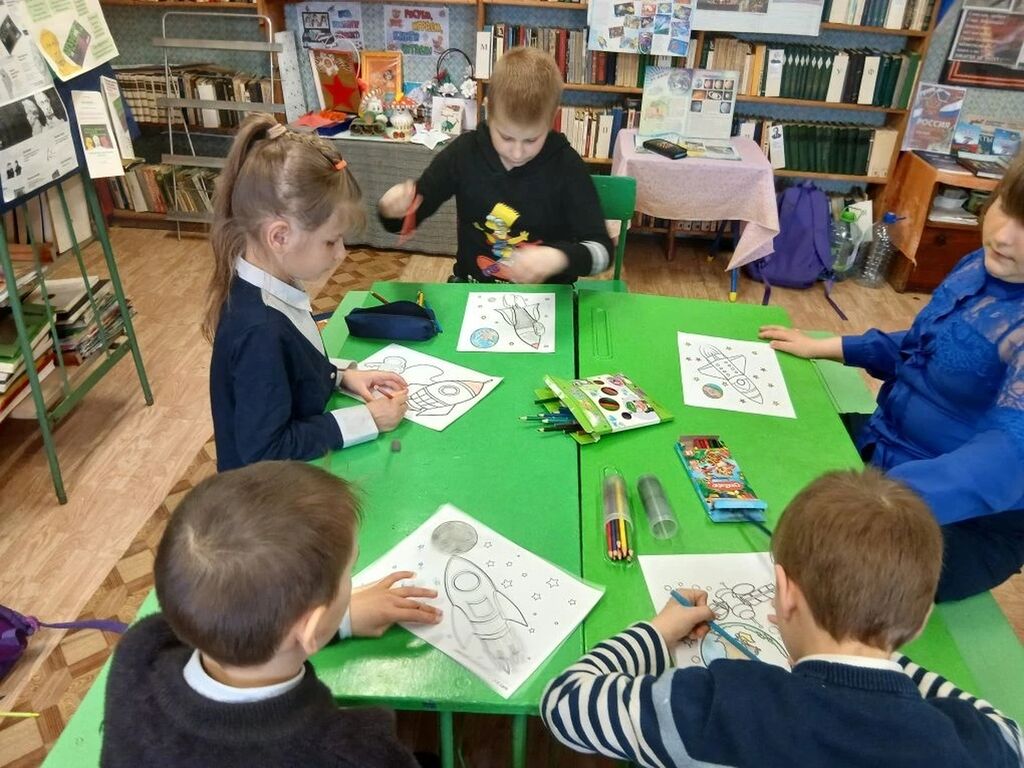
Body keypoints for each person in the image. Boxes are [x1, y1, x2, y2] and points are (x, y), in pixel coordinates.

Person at [540, 469, 1024, 767]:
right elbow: (1007, 731)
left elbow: (565, 702)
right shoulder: (976, 748)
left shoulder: (724, 707)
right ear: (920, 623)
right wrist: (882, 656)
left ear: (785, 594)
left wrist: (658, 632)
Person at [759, 150, 1024, 602]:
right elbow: (929, 346)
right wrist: (828, 346)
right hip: (885, 452)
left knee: (832, 576)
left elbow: (1006, 459)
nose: (1001, 235)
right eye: (1005, 206)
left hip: (959, 521)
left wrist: (878, 503)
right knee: (770, 445)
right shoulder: (977, 265)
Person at [100, 461, 443, 767]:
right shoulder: (354, 751)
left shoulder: (141, 649)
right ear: (310, 628)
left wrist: (340, 619)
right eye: (349, 572)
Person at [206, 115, 408, 472]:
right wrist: (368, 420)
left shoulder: (272, 283)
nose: (341, 253)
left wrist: (340, 377)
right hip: (265, 493)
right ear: (280, 236)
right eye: (331, 241)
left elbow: (293, 369)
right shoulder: (260, 330)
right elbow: (265, 449)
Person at [378, 47, 612, 284]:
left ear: (553, 117)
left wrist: (559, 258)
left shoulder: (566, 166)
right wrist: (392, 210)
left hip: (547, 296)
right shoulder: (463, 154)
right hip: (473, 288)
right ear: (487, 108)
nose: (517, 153)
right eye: (506, 137)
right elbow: (410, 216)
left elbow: (603, 253)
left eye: (531, 140)